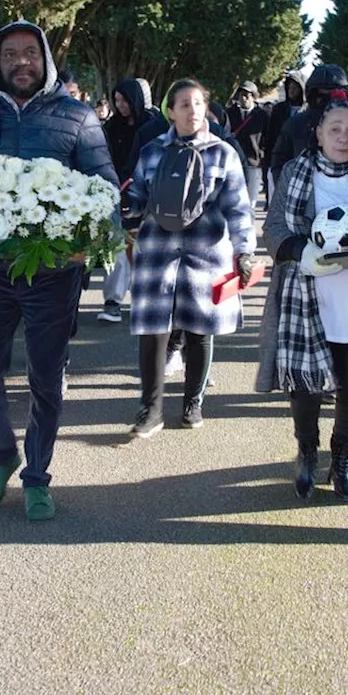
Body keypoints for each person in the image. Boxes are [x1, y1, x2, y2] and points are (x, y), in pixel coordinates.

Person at [0, 20, 117, 521]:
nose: (20, 62)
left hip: (52, 273)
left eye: (29, 53)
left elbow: (106, 187)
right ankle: (2, 455)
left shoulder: (77, 115)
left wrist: (88, 244)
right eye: (9, 55)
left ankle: (37, 476)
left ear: (44, 58)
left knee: (45, 378)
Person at [256, 96, 348, 499]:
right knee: (304, 389)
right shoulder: (296, 172)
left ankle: (342, 459)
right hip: (306, 295)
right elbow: (274, 227)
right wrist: (300, 252)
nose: (343, 137)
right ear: (319, 134)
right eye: (335, 129)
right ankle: (307, 453)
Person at [123, 79, 256, 437]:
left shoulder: (223, 153)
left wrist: (245, 250)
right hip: (157, 252)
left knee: (200, 331)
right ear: (170, 111)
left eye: (198, 103)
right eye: (183, 104)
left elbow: (239, 208)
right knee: (153, 331)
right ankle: (150, 410)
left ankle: (193, 401)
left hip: (206, 252)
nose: (192, 110)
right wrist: (125, 208)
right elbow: (136, 195)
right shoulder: (152, 151)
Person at [98, 78, 157, 324]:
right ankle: (113, 300)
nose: (121, 105)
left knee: (144, 249)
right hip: (115, 192)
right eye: (117, 100)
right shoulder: (111, 127)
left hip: (145, 195)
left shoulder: (153, 127)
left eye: (125, 100)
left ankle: (146, 299)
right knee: (117, 247)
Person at [262, 70, 307, 198]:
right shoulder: (279, 109)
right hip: (280, 159)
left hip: (300, 161)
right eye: (289, 88)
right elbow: (271, 136)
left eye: (295, 88)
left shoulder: (308, 110)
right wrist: (268, 161)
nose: (291, 91)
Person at [226, 80, 268, 206]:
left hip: (253, 163)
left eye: (247, 95)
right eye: (241, 95)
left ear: (254, 97)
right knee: (234, 200)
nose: (243, 98)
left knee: (250, 201)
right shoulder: (230, 113)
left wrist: (261, 155)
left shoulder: (262, 115)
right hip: (234, 162)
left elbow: (267, 137)